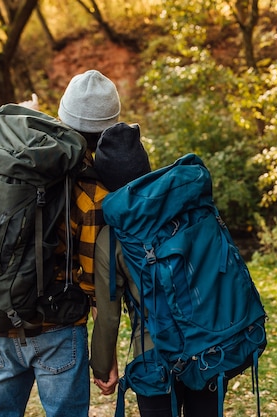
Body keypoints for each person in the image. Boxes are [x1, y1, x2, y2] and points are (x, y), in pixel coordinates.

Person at [0, 69, 120, 417]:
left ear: (61, 117)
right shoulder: (93, 195)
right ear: (107, 131)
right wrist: (106, 359)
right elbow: (94, 282)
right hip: (57, 331)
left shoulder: (9, 166)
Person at [90, 126, 228, 417]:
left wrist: (102, 367)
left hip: (153, 356)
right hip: (210, 343)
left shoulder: (111, 237)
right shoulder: (190, 208)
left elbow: (109, 314)